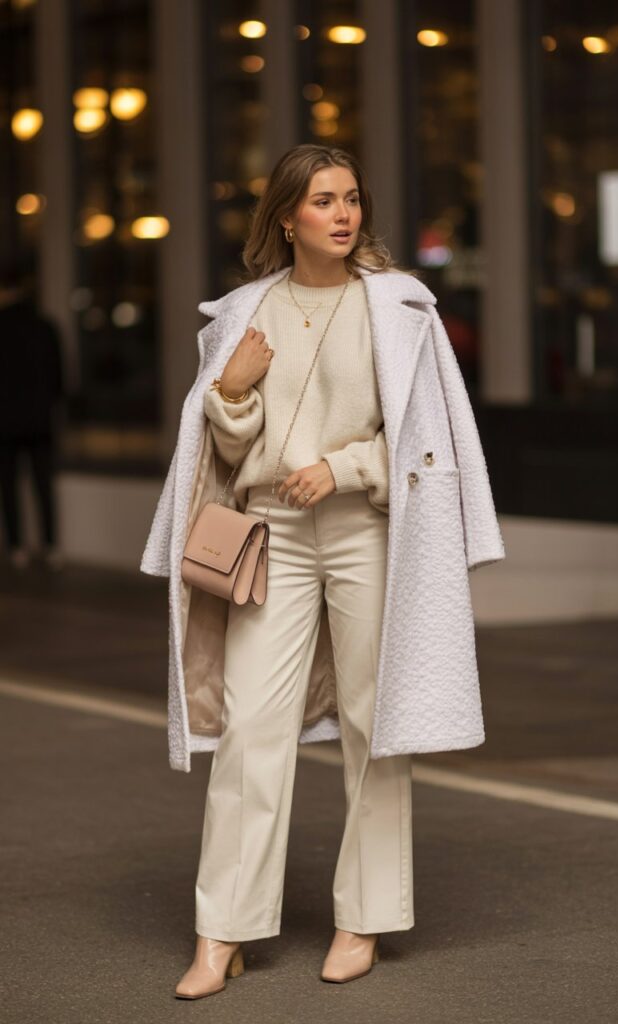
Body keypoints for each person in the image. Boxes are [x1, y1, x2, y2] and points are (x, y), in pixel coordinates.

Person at [139, 143, 505, 999]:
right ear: (284, 217)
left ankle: (363, 917)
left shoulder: (399, 307)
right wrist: (230, 391)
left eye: (350, 199)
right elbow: (226, 449)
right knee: (250, 727)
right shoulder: (243, 312)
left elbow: (425, 436)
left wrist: (341, 471)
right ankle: (220, 932)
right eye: (322, 201)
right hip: (270, 532)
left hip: (365, 530)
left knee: (375, 727)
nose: (343, 214)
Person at [0, 269, 65, 569]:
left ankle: (17, 547)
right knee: (43, 485)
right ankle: (50, 546)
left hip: (6, 422)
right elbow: (59, 378)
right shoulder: (44, 327)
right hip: (40, 419)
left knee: (9, 486)